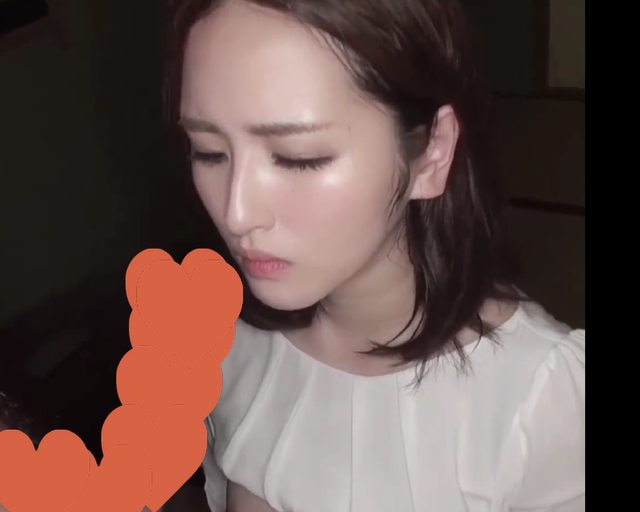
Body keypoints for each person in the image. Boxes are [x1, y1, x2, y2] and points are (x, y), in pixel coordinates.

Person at [163, 0, 585, 510]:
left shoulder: (540, 401)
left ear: (430, 152)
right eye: (209, 151)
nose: (237, 214)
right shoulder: (219, 338)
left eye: (299, 158)